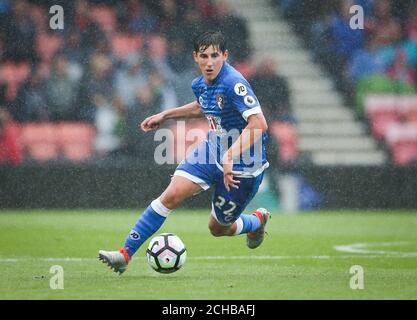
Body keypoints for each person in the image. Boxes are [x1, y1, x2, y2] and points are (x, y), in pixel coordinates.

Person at [98, 31, 271, 274]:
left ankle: (256, 221)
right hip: (211, 152)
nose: (209, 62)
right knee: (171, 195)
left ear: (225, 55)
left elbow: (259, 124)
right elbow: (203, 106)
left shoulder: (235, 83)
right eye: (204, 56)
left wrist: (230, 156)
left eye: (214, 55)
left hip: (245, 165)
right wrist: (166, 115)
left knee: (218, 228)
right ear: (195, 57)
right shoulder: (199, 83)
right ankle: (125, 254)